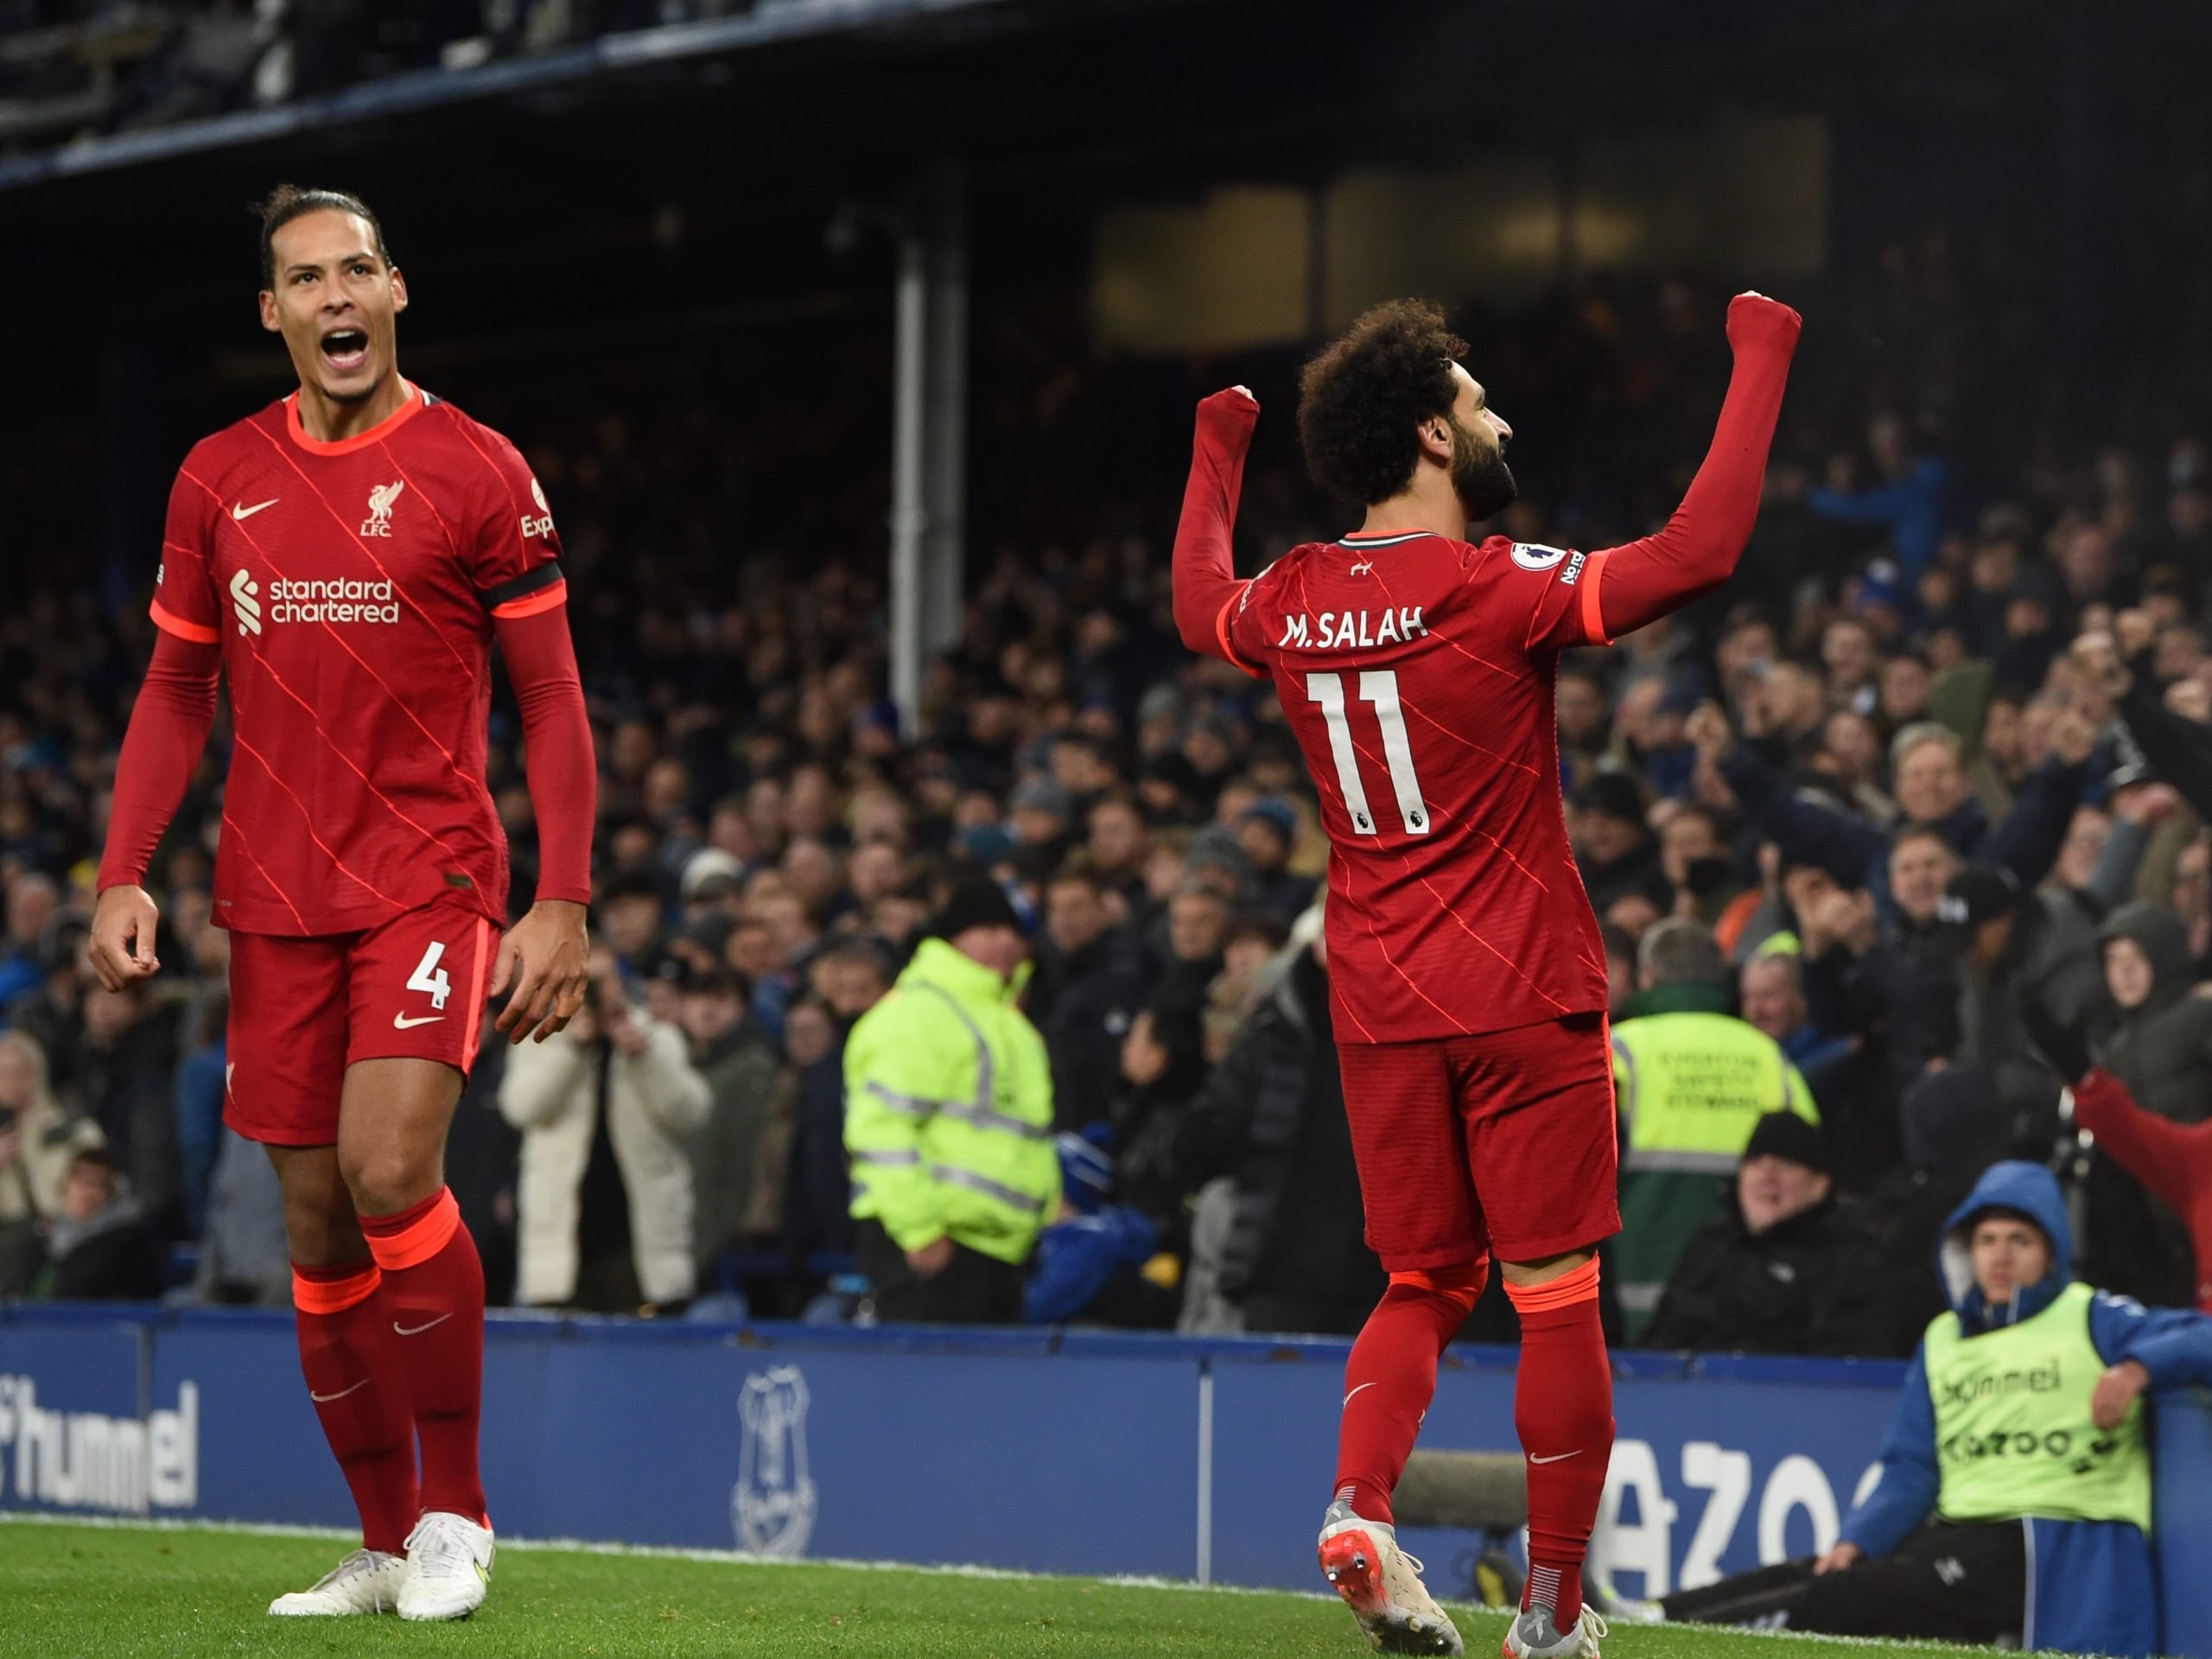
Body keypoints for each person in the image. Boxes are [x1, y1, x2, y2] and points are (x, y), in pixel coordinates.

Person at [1172, 289, 1801, 1656]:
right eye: (1476, 399)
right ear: (1432, 437)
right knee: (1555, 1292)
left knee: (1418, 1288)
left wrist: (1219, 449)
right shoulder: (1495, 586)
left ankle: (1357, 1506)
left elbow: (1195, 605)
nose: (1498, 414)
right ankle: (1558, 1609)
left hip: (1382, 1007)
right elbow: (1700, 552)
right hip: (1521, 991)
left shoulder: (1287, 600)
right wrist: (1763, 357)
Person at [85, 186, 595, 1621]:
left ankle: (459, 1514)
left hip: (429, 878)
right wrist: (123, 870)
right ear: (274, 313)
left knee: (388, 1171)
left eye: (356, 270)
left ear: (395, 290)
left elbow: (552, 701)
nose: (335, 297)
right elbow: (178, 690)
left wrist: (565, 900)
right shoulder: (215, 478)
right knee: (313, 1227)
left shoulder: (479, 469)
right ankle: (382, 1544)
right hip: (274, 894)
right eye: (305, 279)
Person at [1630, 1161, 2212, 1657]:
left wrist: (2135, 1369)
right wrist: (1859, 1539)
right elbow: (1912, 1466)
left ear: (2051, 1251)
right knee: (1820, 1571)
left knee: (1840, 1599)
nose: (2000, 1256)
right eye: (1986, 1241)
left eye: (2019, 1240)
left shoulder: (2089, 1316)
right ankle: (1651, 1616)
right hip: (1961, 1535)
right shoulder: (1943, 1339)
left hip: (2045, 1542)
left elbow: (2202, 1337)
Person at [843, 880, 1058, 1325]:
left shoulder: (1010, 1023)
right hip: (934, 1246)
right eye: (987, 928)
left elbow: (1027, 1135)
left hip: (1001, 1251)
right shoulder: (918, 1012)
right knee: (932, 1391)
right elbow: (881, 1132)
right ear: (951, 938)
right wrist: (919, 1232)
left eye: (1012, 932)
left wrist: (1049, 1212)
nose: (1004, 942)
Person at [1611, 919, 1816, 1331]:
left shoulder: (1616, 1050)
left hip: (1628, 1300)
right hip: (1749, 1311)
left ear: (1647, 976)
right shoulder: (1770, 1059)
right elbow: (1815, 1175)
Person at [498, 947, 709, 1314]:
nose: (592, 990)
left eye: (601, 980)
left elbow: (692, 1114)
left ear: (621, 983)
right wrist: (574, 1050)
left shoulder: (656, 1036)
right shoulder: (543, 1037)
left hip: (638, 1242)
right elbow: (521, 1107)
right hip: (563, 1241)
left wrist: (646, 1057)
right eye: (581, 979)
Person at [1639, 1112, 1887, 1357]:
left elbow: (1847, 1361)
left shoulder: (1851, 1259)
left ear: (1820, 1185)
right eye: (1755, 1162)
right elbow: (1659, 1340)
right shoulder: (1710, 1245)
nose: (1767, 1177)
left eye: (1785, 1164)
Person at [35, 1147, 166, 1302]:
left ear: (113, 1194)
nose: (89, 1194)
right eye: (82, 1182)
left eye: (100, 1185)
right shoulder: (40, 1239)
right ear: (64, 1187)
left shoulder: (126, 1243)